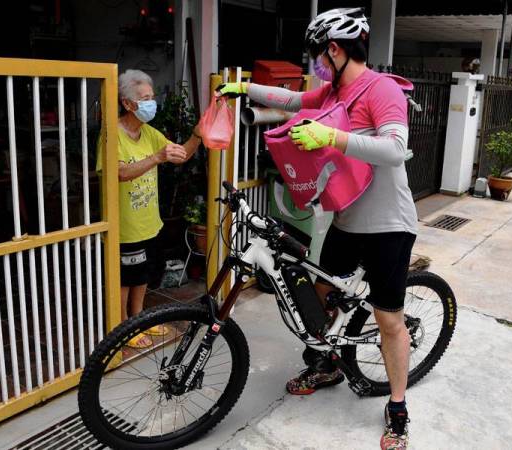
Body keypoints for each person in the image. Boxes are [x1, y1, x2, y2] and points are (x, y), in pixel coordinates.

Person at [217, 8, 416, 450]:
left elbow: (396, 149)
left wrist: (332, 139)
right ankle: (327, 365)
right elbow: (290, 101)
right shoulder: (331, 92)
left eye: (316, 57)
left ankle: (398, 406)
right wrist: (242, 87)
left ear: (334, 49)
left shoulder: (380, 89)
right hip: (346, 220)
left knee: (388, 321)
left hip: (387, 225)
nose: (315, 66)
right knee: (320, 300)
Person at [97, 69, 202, 348]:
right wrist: (156, 157)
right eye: (145, 98)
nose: (151, 103)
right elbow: (119, 173)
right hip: (125, 224)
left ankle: (138, 319)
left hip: (148, 221)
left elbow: (179, 155)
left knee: (142, 275)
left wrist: (197, 136)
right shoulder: (112, 134)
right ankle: (122, 329)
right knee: (125, 279)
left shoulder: (149, 132)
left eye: (152, 97)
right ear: (127, 103)